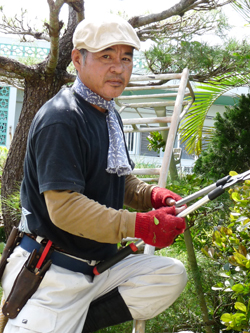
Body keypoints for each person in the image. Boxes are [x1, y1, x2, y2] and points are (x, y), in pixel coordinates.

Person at [1, 14, 187, 333]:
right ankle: (58, 318)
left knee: (169, 275)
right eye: (106, 57)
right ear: (77, 59)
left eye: (125, 57)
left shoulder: (107, 113)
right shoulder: (62, 118)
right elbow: (66, 210)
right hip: (52, 272)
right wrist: (138, 225)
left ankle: (74, 321)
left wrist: (151, 196)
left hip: (99, 269)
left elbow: (118, 176)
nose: (118, 67)